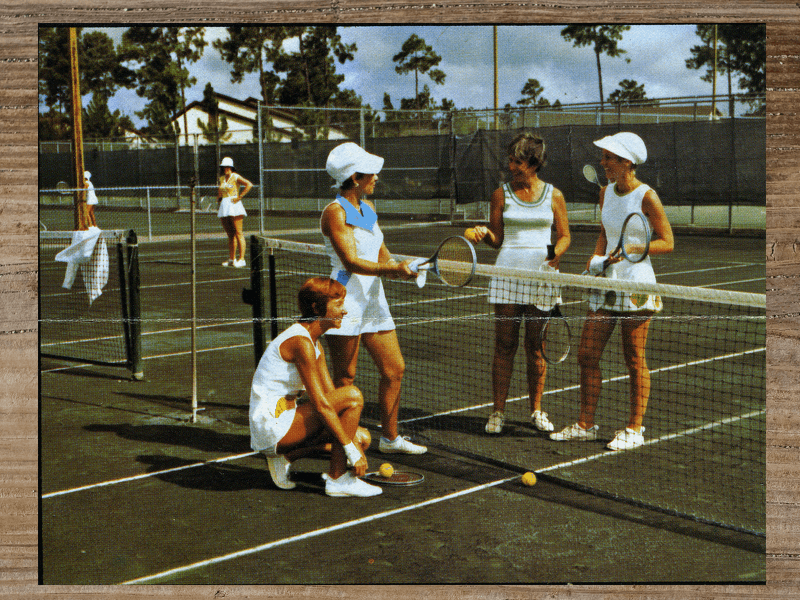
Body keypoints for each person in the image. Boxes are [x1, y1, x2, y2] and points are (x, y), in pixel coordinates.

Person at [550, 132, 674, 451]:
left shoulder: (647, 196)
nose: (602, 162)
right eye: (604, 157)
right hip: (607, 282)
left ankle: (635, 428)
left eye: (609, 158)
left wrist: (634, 247)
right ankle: (586, 424)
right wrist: (596, 259)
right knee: (587, 354)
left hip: (637, 283)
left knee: (634, 357)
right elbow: (605, 233)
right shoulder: (605, 194)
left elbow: (667, 241)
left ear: (626, 162)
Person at [320, 142, 427, 455]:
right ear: (355, 177)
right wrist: (390, 269)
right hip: (345, 299)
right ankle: (345, 446)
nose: (377, 177)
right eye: (370, 172)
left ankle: (390, 439)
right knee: (345, 378)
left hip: (373, 299)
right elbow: (352, 261)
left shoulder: (368, 210)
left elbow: (381, 254)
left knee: (394, 369)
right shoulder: (335, 213)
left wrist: (404, 268)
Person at [470, 133, 571, 435]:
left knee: (535, 347)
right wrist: (483, 234)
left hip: (542, 276)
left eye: (517, 161)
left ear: (533, 163)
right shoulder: (500, 194)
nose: (511, 166)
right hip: (507, 274)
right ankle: (498, 412)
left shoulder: (555, 195)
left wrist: (555, 254)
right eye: (510, 160)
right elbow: (497, 239)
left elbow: (564, 235)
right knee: (504, 345)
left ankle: (536, 411)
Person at [250, 276, 383, 497]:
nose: (345, 311)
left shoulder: (313, 342)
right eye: (338, 304)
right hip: (271, 427)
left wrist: (352, 441)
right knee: (353, 396)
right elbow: (322, 405)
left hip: (283, 422)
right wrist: (349, 450)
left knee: (362, 438)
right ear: (317, 307)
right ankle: (338, 479)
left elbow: (332, 396)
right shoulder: (301, 343)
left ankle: (286, 458)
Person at [217, 156, 253, 268]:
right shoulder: (222, 178)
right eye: (224, 167)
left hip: (234, 205)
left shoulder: (235, 176)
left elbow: (249, 184)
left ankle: (242, 259)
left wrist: (239, 197)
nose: (225, 168)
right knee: (230, 234)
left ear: (231, 167)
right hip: (224, 205)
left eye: (227, 166)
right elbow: (220, 191)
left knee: (238, 232)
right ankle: (231, 259)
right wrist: (219, 201)